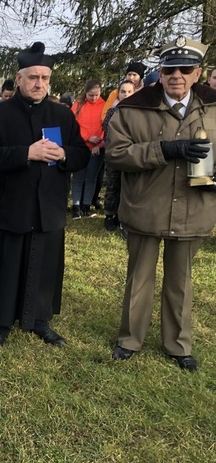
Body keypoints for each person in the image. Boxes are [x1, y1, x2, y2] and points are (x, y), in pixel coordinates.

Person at [106, 36, 215, 372]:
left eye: (185, 69)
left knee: (180, 280)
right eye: (170, 69)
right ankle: (130, 339)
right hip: (146, 206)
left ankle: (178, 344)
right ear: (161, 72)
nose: (177, 76)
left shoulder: (212, 108)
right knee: (139, 276)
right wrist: (164, 150)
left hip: (193, 208)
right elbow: (116, 153)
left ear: (197, 73)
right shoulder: (133, 108)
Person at [0, 41, 89, 348]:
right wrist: (26, 152)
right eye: (33, 77)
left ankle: (39, 319)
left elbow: (82, 156)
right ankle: (0, 322)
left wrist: (63, 154)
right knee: (9, 266)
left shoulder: (62, 116)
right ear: (20, 78)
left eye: (45, 78)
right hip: (12, 203)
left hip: (49, 204)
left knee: (45, 263)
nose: (39, 83)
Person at [101, 79, 136, 232]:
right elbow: (108, 131)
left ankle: (122, 218)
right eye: (123, 91)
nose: (126, 94)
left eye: (129, 92)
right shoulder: (112, 111)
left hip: (131, 155)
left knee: (127, 186)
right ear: (118, 93)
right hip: (114, 153)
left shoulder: (139, 112)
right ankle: (109, 215)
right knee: (113, 185)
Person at [70, 79, 106, 218]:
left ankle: (86, 205)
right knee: (78, 177)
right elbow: (73, 126)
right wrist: (87, 137)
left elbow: (107, 125)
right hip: (81, 146)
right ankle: (76, 206)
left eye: (97, 95)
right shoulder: (78, 105)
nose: (94, 98)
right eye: (91, 95)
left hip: (98, 148)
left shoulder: (104, 105)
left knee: (91, 177)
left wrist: (99, 144)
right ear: (85, 93)